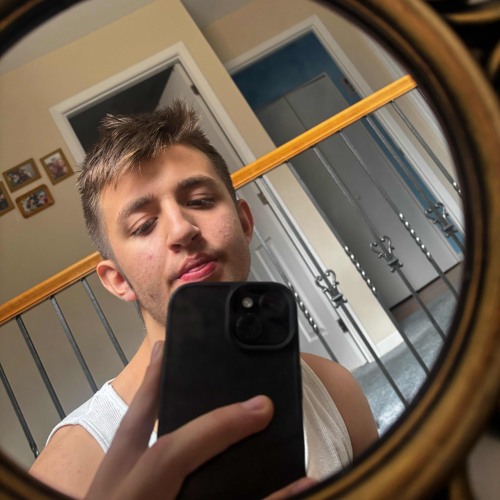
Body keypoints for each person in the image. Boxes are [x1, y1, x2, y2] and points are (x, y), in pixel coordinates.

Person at [29, 101, 378, 498]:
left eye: (199, 201)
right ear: (117, 280)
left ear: (244, 222)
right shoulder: (70, 470)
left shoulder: (334, 389)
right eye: (144, 225)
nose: (182, 229)